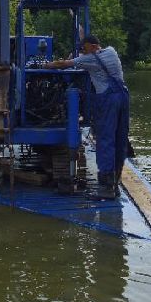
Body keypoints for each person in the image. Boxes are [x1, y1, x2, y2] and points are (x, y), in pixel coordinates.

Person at [44, 34, 129, 196]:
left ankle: (105, 188)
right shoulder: (111, 51)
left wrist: (46, 65)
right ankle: (115, 184)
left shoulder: (89, 60)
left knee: (105, 139)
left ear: (90, 46)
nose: (83, 51)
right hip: (123, 97)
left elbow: (64, 64)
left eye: (84, 48)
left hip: (108, 100)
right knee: (120, 139)